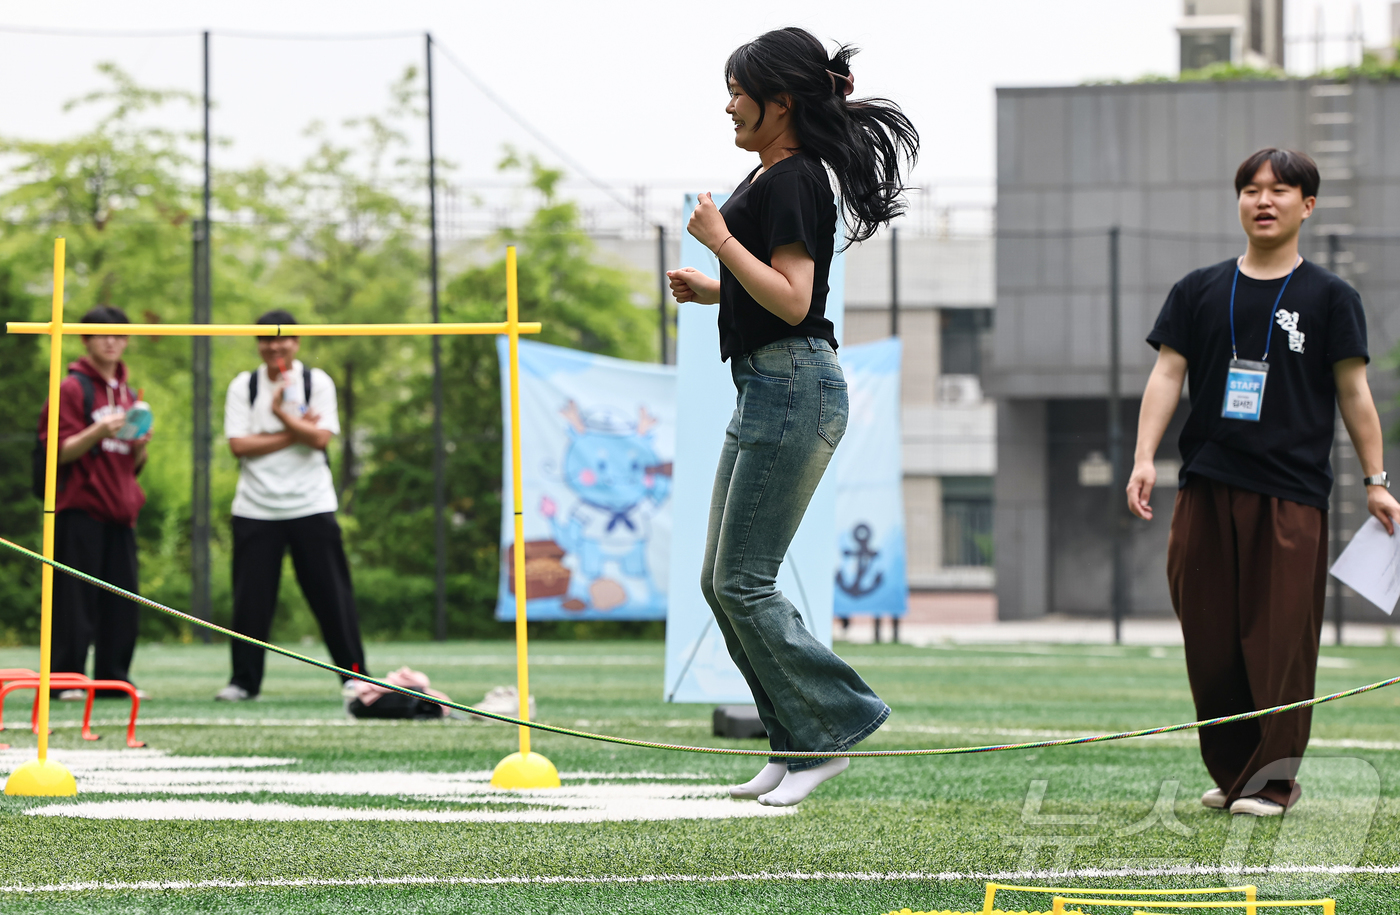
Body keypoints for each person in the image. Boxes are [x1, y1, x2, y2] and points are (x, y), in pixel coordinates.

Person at [666, 27, 918, 807]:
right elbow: (776, 286)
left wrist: (717, 246)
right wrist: (716, 289)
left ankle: (832, 726)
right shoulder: (778, 174)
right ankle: (791, 741)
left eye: (740, 90)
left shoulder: (796, 177)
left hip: (793, 385)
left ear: (781, 102)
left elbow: (797, 299)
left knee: (743, 581)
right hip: (767, 384)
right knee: (721, 581)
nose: (729, 103)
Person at [1127, 148, 1400, 817]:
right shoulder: (1198, 289)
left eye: (1280, 190)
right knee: (1212, 641)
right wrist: (1143, 457)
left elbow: (1354, 393)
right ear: (1239, 202)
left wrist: (1376, 479)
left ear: (1307, 205)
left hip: (1290, 494)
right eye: (1251, 189)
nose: (1264, 200)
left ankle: (1273, 782)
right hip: (1206, 486)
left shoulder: (1332, 297)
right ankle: (1233, 775)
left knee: (1278, 642)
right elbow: (1167, 374)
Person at [216, 310, 369, 701]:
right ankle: (243, 682)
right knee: (251, 602)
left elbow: (320, 440)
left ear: (296, 342)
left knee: (332, 596)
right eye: (266, 339)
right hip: (255, 508)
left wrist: (282, 416)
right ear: (258, 344)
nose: (275, 346)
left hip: (311, 504)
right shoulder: (244, 385)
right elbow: (238, 446)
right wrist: (294, 431)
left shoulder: (316, 382)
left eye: (283, 339)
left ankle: (355, 677)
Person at [37, 306, 150, 698]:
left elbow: (131, 462)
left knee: (122, 604)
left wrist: (139, 445)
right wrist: (98, 429)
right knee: (74, 601)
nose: (111, 341)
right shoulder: (71, 388)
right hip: (81, 508)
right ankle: (67, 679)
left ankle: (114, 680)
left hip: (121, 510)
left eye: (119, 335)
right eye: (102, 334)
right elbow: (58, 450)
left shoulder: (129, 392)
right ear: (85, 339)